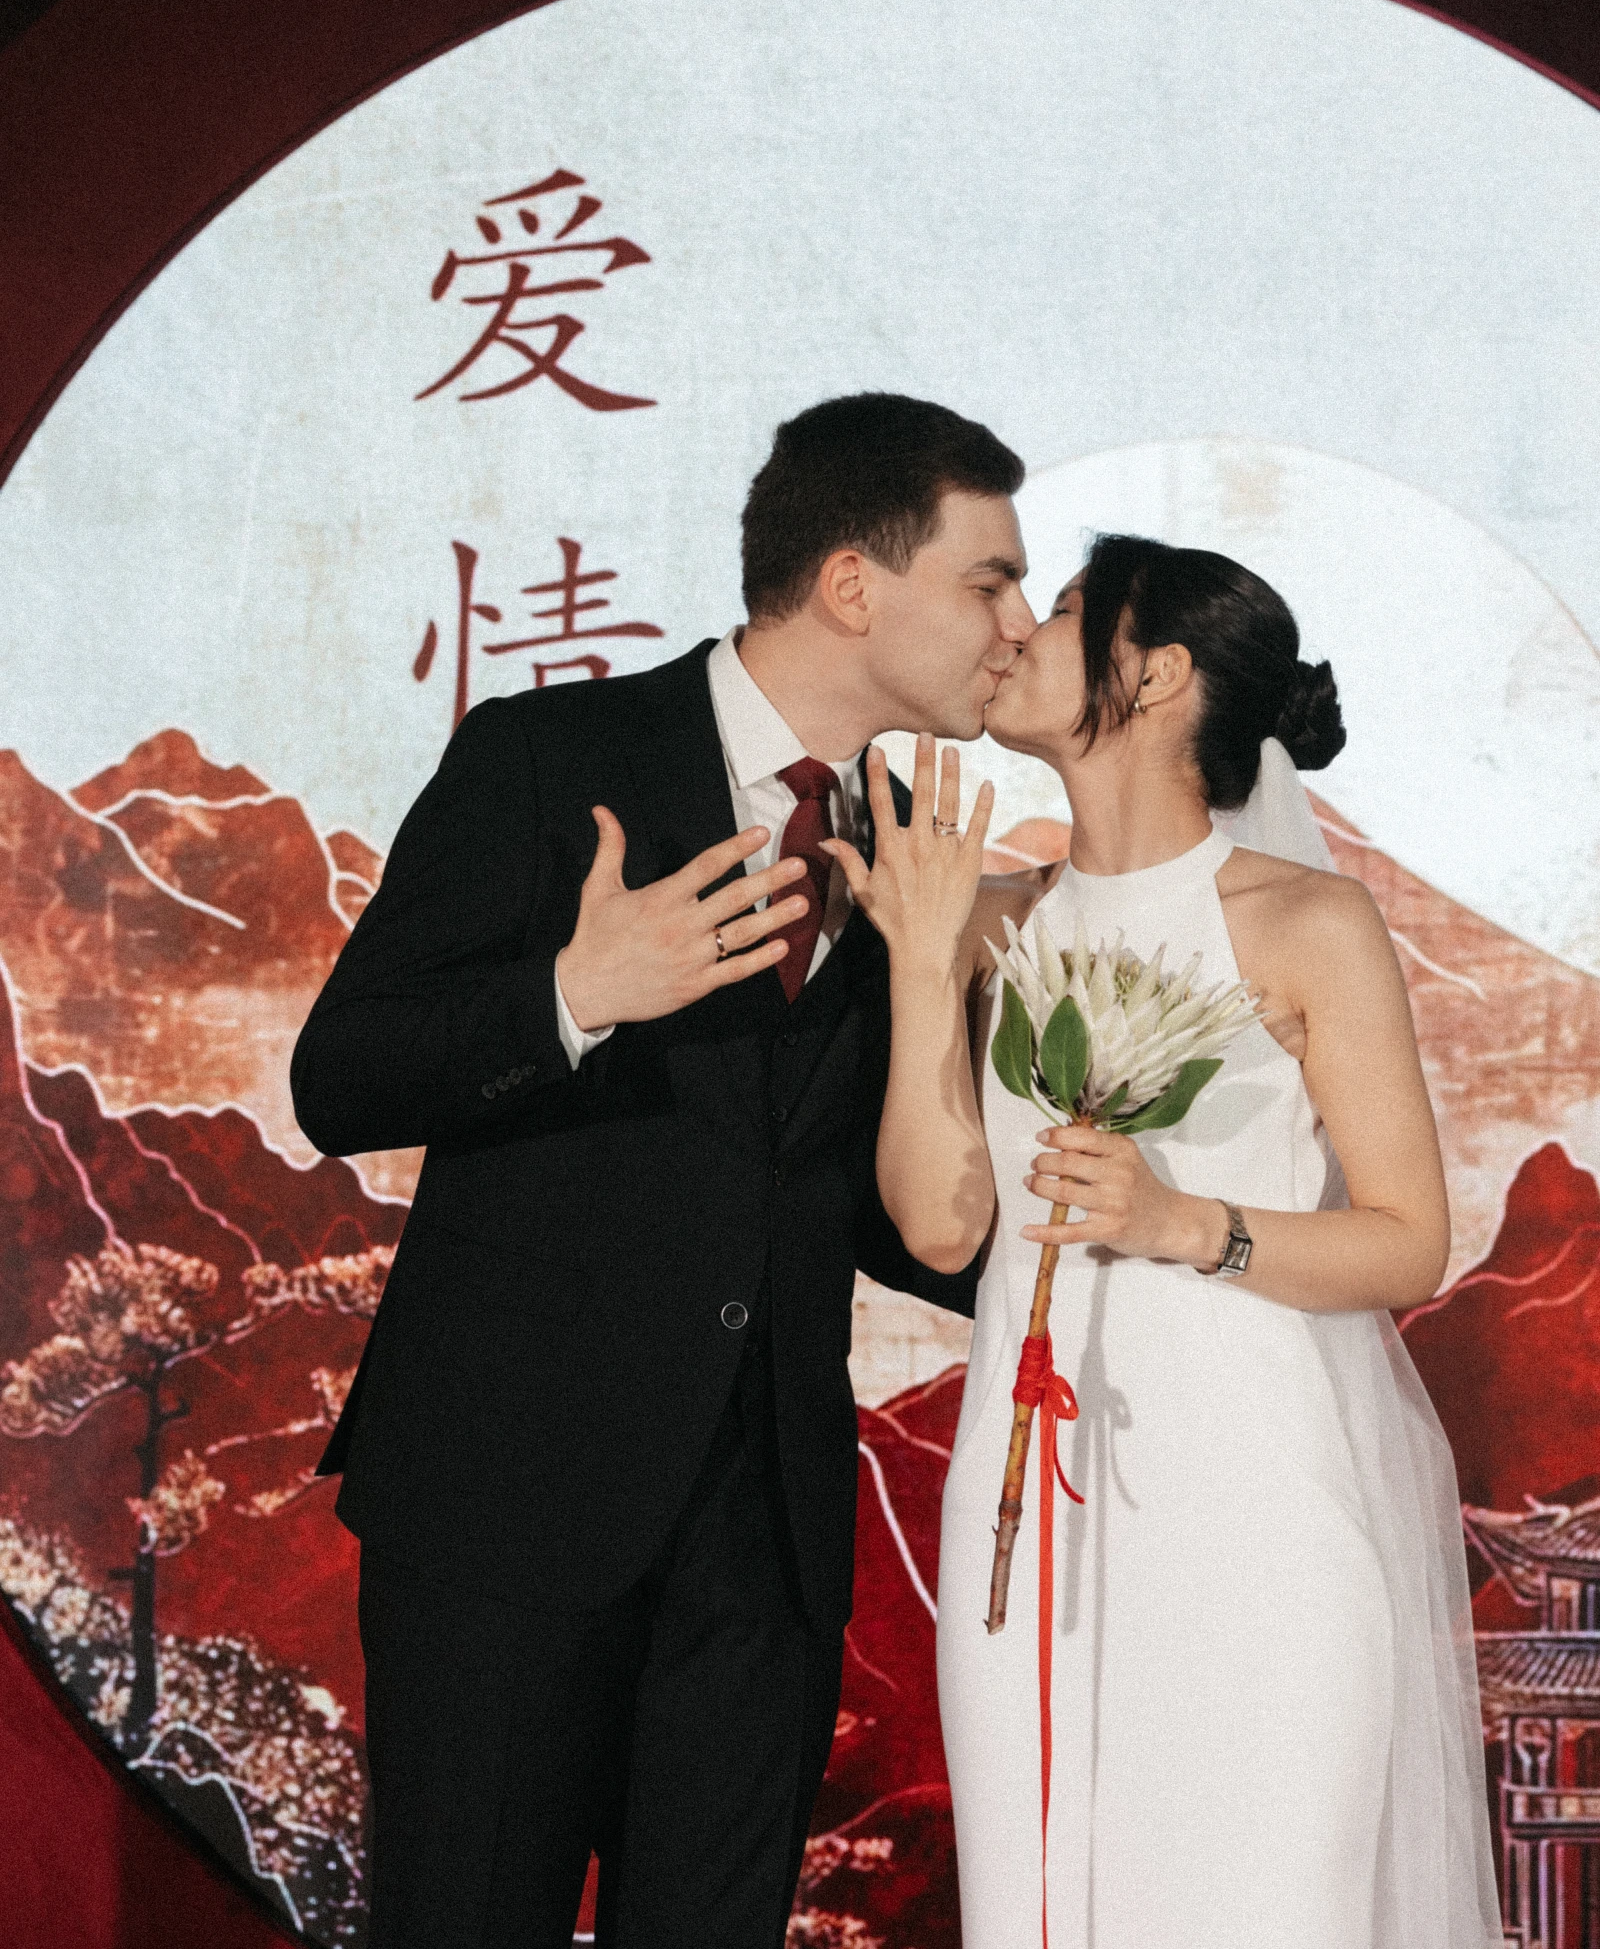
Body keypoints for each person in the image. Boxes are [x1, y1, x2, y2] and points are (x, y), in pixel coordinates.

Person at [289, 392, 1035, 1949]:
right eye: (989, 581)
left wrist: (1101, 1231)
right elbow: (340, 1079)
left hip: (763, 1542)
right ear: (853, 586)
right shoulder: (552, 756)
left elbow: (868, 1209)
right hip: (505, 1506)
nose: (1016, 626)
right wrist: (576, 995)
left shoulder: (908, 844)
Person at [825, 534, 1502, 1949]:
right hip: (1032, 1506)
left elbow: (1407, 1245)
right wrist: (922, 964)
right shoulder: (991, 921)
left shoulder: (1309, 923)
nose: (1022, 630)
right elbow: (939, 1224)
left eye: (1069, 610)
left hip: (1261, 1507)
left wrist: (1182, 1222)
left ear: (1157, 671)